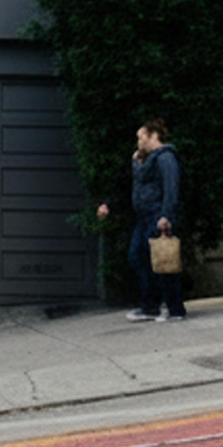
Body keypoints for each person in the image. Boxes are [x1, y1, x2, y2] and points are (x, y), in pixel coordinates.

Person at [97, 121, 184, 323]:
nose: (138, 142)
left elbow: (171, 188)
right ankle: (150, 306)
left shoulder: (166, 157)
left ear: (153, 135)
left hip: (158, 217)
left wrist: (166, 216)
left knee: (163, 261)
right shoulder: (142, 161)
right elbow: (133, 188)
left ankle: (174, 308)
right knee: (138, 257)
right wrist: (110, 205)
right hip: (144, 218)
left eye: (141, 137)